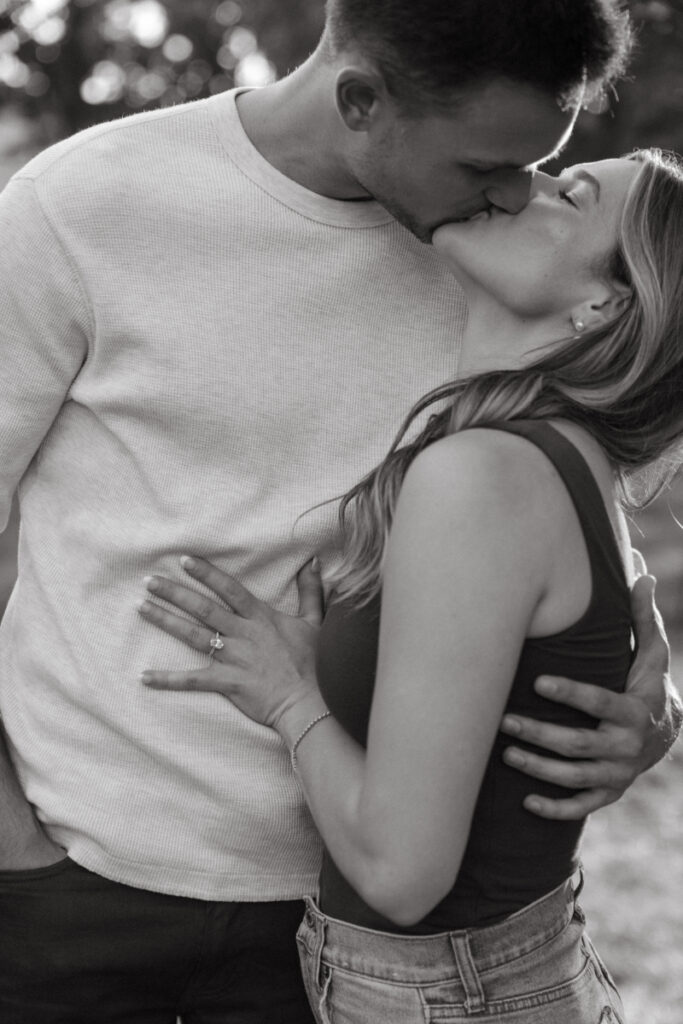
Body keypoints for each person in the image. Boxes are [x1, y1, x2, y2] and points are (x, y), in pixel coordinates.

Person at [0, 0, 678, 1019]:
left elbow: (569, 465)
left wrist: (647, 676)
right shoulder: (81, 205)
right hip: (76, 885)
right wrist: (9, 841)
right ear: (360, 101)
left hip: (341, 923)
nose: (513, 192)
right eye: (487, 165)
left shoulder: (485, 258)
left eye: (543, 164)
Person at [138, 147, 683, 1023]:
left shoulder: (485, 473)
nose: (520, 183)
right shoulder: (558, 454)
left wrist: (286, 695)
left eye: (566, 194)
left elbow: (400, 875)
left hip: (443, 995)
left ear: (603, 304)